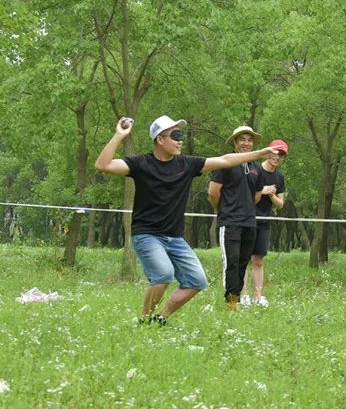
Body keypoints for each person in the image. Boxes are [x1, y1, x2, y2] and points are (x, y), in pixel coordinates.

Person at [94, 116, 278, 323]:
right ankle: (144, 320)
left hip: (175, 238)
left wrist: (261, 153)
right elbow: (103, 165)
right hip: (147, 235)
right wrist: (119, 135)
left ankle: (160, 318)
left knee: (197, 281)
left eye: (180, 135)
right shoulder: (140, 164)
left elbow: (225, 160)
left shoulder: (187, 164)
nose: (180, 140)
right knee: (163, 275)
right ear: (160, 140)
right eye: (175, 135)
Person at [209, 125, 264, 310]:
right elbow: (213, 193)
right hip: (230, 222)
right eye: (242, 139)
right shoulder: (225, 163)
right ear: (235, 142)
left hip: (250, 222)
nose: (246, 143)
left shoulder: (256, 167)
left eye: (249, 140)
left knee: (242, 263)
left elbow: (256, 195)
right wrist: (225, 210)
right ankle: (231, 304)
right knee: (231, 263)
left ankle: (238, 299)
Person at [242, 139, 287, 308]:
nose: (277, 157)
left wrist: (270, 194)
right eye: (275, 153)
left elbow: (280, 204)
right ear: (269, 152)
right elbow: (245, 196)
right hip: (247, 219)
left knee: (258, 261)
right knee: (243, 259)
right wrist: (263, 190)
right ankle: (243, 295)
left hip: (264, 221)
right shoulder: (254, 169)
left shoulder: (279, 176)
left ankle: (258, 297)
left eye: (281, 155)